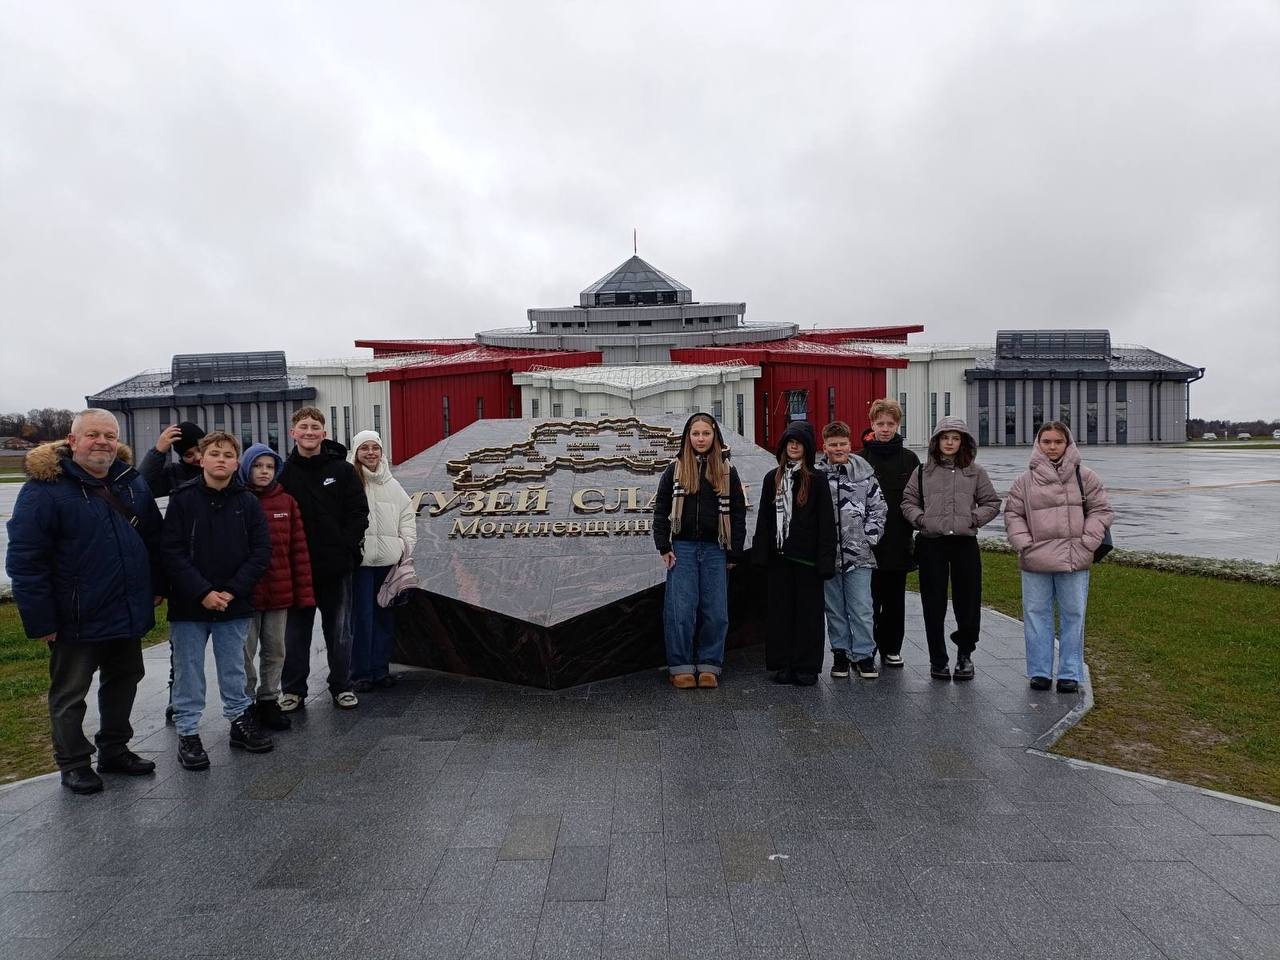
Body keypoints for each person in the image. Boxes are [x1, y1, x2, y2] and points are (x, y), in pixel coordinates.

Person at [6, 410, 164, 794]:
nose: (102, 442)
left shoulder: (131, 483)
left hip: (125, 609)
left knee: (124, 681)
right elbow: (26, 560)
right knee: (70, 693)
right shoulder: (44, 490)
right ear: (73, 440)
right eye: (93, 434)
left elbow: (155, 540)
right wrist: (42, 621)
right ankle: (74, 762)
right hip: (75, 615)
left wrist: (158, 585)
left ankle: (114, 748)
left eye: (110, 435)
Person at [162, 432, 274, 769]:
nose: (221, 459)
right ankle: (188, 732)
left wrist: (232, 590)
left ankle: (239, 720)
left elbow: (261, 551)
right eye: (214, 453)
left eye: (227, 455)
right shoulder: (183, 499)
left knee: (234, 667)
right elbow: (171, 551)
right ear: (202, 459)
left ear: (236, 463)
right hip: (189, 603)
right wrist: (202, 592)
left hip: (233, 602)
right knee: (188, 670)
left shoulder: (247, 502)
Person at [1003, 421, 1114, 693]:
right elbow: (1013, 514)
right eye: (1046, 442)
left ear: (1068, 443)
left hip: (1074, 559)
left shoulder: (1085, 476)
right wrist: (1024, 543)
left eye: (1058, 442)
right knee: (1035, 615)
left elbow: (1101, 510)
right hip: (1035, 560)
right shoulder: (1024, 481)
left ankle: (1069, 672)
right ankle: (1039, 671)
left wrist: (1087, 543)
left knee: (1073, 615)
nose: (1052, 447)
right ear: (1038, 444)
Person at [278, 407, 369, 712]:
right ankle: (293, 689)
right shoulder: (282, 473)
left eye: (315, 427)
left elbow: (358, 512)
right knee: (295, 634)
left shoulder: (342, 470)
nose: (309, 432)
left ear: (324, 433)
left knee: (339, 631)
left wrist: (345, 547)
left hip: (336, 567)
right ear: (293, 433)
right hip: (297, 568)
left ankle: (342, 686)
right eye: (303, 426)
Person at [652, 413, 748, 689]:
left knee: (716, 612)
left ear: (714, 436)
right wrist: (664, 546)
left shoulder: (727, 471)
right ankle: (680, 666)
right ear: (688, 437)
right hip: (682, 549)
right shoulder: (675, 469)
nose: (701, 439)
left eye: (706, 433)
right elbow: (661, 510)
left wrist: (734, 552)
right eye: (696, 434)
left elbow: (738, 514)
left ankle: (709, 665)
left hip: (716, 549)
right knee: (680, 611)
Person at [901, 416, 1001, 681]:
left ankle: (965, 655)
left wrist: (973, 518)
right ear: (936, 441)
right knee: (933, 603)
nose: (949, 443)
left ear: (963, 442)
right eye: (945, 438)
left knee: (968, 602)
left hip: (964, 544)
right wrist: (921, 520)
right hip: (931, 543)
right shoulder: (923, 471)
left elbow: (991, 502)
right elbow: (908, 501)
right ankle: (938, 659)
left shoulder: (975, 472)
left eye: (955, 438)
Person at [751, 421, 836, 686]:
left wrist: (825, 559)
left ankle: (806, 665)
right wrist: (760, 553)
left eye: (799, 442)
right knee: (781, 614)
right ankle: (783, 662)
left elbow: (826, 522)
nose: (794, 446)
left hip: (807, 560)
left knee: (808, 615)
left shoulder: (817, 480)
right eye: (790, 441)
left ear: (807, 447)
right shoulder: (772, 478)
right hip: (780, 558)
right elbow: (764, 518)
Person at [239, 442, 316, 729]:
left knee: (275, 650)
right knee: (244, 654)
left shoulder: (286, 502)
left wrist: (303, 594)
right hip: (245, 594)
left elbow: (299, 550)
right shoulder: (237, 500)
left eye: (269, 467)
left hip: (279, 591)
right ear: (246, 468)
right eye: (258, 466)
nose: (264, 471)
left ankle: (269, 699)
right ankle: (245, 704)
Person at [816, 421, 887, 680]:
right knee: (834, 609)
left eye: (843, 444)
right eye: (833, 444)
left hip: (859, 554)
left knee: (862, 607)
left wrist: (868, 538)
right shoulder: (817, 476)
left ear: (850, 444)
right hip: (828, 555)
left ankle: (864, 655)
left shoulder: (865, 475)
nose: (838, 448)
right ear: (824, 446)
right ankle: (841, 654)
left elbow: (878, 508)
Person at [348, 430, 416, 692]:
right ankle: (360, 673)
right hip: (361, 564)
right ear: (356, 452)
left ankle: (380, 669)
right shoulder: (350, 480)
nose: (370, 453)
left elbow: (407, 516)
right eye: (364, 448)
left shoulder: (392, 484)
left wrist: (404, 545)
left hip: (388, 563)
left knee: (384, 618)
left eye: (374, 447)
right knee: (361, 619)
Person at [858, 399, 921, 669]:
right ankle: (866, 648)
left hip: (897, 540)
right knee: (867, 601)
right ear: (872, 424)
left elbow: (917, 498)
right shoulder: (860, 459)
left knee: (895, 600)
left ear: (898, 425)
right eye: (880, 423)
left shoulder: (910, 460)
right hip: (867, 544)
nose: (885, 429)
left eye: (890, 424)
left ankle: (892, 648)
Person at [140, 421, 205, 498]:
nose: (198, 457)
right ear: (181, 457)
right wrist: (158, 452)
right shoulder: (172, 474)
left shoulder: (216, 469)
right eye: (189, 455)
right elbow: (138, 488)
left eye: (200, 449)